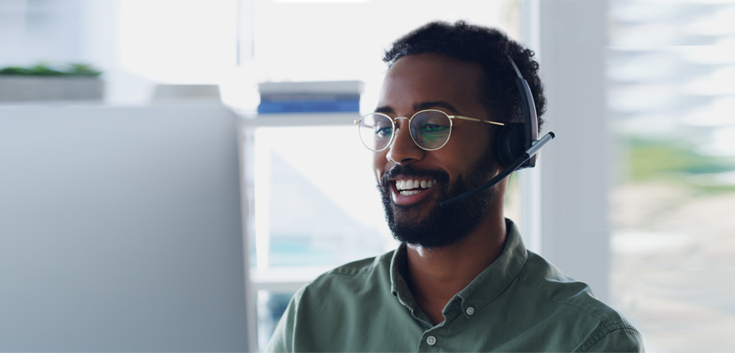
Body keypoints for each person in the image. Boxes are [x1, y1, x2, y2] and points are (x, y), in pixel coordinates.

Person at [265, 20, 644, 352]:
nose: (397, 152)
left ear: (509, 147)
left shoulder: (589, 339)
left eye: (432, 125)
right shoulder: (317, 312)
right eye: (384, 127)